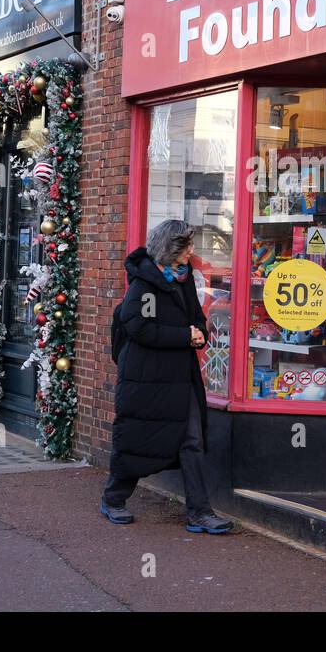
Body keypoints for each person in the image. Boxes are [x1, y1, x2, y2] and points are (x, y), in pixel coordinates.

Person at [101, 219, 233, 534]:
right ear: (170, 248)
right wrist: (183, 336)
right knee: (139, 439)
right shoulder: (144, 284)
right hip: (147, 376)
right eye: (186, 245)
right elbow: (139, 327)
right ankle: (113, 499)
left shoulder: (183, 278)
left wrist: (200, 332)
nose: (191, 250)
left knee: (191, 440)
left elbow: (196, 318)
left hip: (179, 375)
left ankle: (200, 513)